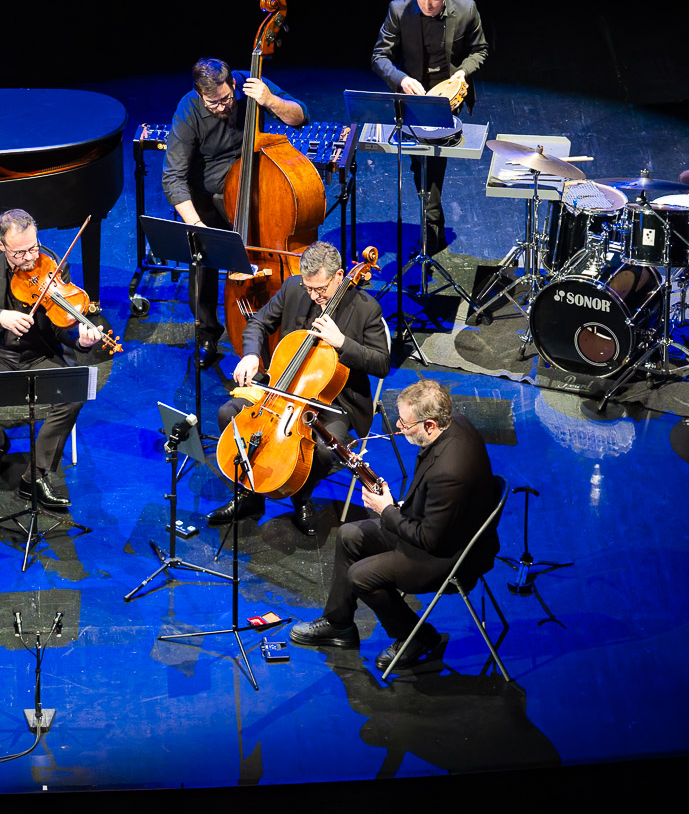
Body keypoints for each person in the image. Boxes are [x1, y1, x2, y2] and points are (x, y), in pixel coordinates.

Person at [289, 378, 497, 673]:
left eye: (405, 423)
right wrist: (399, 507)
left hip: (449, 555)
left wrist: (386, 510)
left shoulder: (450, 471)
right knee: (350, 533)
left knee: (360, 576)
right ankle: (339, 624)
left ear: (430, 426)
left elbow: (430, 539)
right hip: (439, 528)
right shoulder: (455, 423)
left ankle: (418, 636)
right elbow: (431, 506)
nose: (399, 428)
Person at [207, 240, 390, 535]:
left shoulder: (366, 309)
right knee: (229, 413)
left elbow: (382, 363)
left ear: (340, 276)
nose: (315, 296)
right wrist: (251, 354)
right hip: (282, 388)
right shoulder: (294, 288)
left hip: (334, 401)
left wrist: (342, 342)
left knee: (321, 450)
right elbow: (257, 324)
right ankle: (249, 496)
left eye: (321, 289)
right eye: (310, 289)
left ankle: (301, 498)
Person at [161, 57, 310, 368]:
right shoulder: (188, 110)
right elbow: (173, 177)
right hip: (209, 194)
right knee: (201, 261)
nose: (220, 107)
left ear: (232, 84)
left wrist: (270, 100)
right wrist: (197, 226)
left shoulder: (248, 83)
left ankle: (283, 327)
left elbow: (299, 115)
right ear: (200, 95)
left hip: (255, 185)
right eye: (212, 103)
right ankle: (207, 335)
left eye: (226, 99)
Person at [0, 208, 100, 509]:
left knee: (73, 396)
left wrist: (81, 339)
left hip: (40, 353)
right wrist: (1, 316)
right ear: (2, 246)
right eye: (20, 253)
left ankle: (36, 475)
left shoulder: (54, 264)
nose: (30, 258)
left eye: (33, 247)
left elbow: (64, 328)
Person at [371, 0, 489, 256]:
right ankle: (432, 223)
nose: (427, 5)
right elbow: (379, 56)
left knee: (432, 159)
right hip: (412, 93)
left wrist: (463, 71)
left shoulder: (466, 9)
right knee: (419, 161)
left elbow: (480, 50)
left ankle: (431, 227)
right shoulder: (399, 9)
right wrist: (402, 79)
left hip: (449, 96)